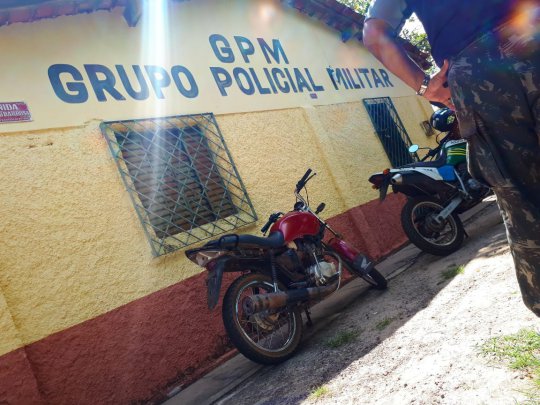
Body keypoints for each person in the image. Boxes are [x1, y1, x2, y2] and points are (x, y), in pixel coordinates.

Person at [362, 0, 540, 316]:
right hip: (531, 34)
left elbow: (375, 34)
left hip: (476, 76)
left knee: (522, 201)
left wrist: (425, 87)